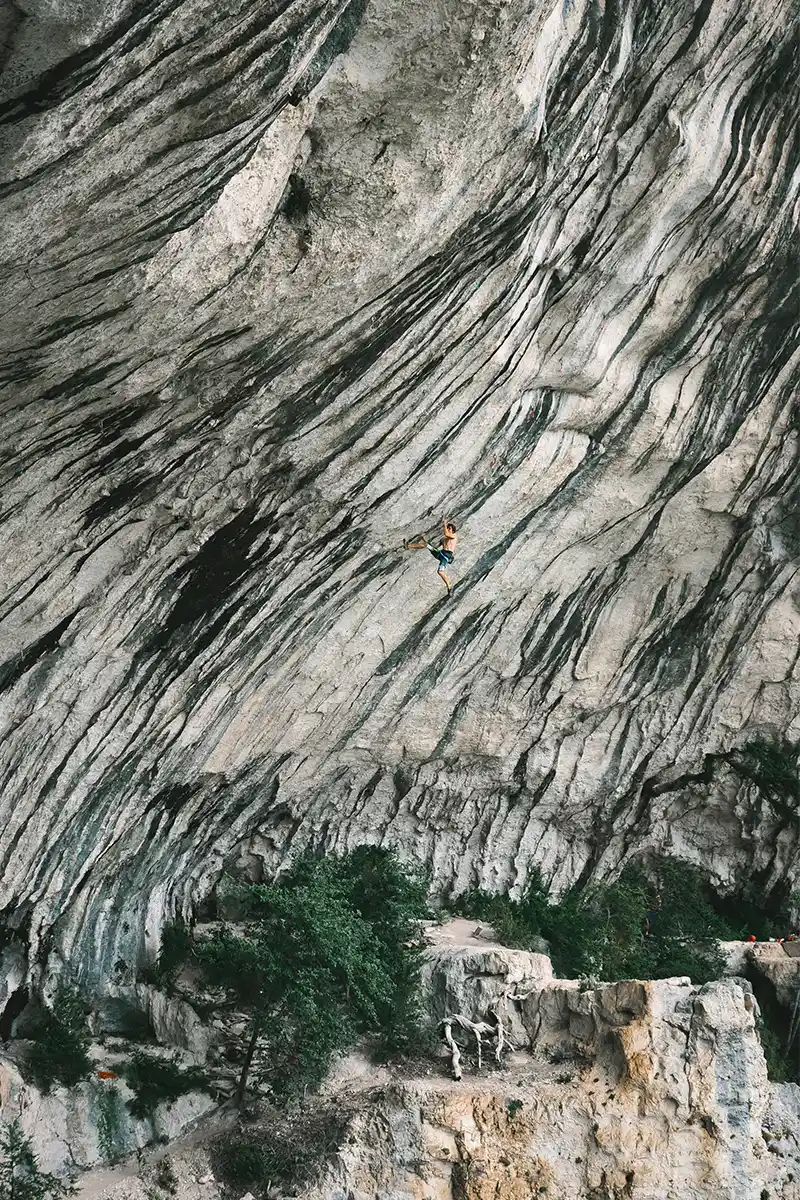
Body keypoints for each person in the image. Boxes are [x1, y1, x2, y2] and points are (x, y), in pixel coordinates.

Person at [404, 516, 458, 597]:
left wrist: (444, 523)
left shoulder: (454, 536)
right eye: (448, 528)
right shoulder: (444, 539)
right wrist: (425, 539)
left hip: (446, 556)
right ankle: (408, 546)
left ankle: (450, 587)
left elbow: (446, 533)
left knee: (440, 571)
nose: (448, 529)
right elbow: (435, 546)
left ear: (453, 530)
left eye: (449, 528)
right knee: (427, 545)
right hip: (440, 553)